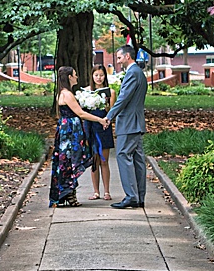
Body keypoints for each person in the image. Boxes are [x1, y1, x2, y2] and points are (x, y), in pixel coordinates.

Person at [49, 66, 105, 208]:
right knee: (71, 160)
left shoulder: (63, 93)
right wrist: (99, 119)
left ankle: (68, 192)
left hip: (67, 130)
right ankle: (69, 192)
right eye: (75, 74)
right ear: (69, 77)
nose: (77, 77)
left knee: (68, 161)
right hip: (70, 132)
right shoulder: (67, 94)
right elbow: (80, 113)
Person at [102, 45, 147, 209]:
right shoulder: (139, 73)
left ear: (127, 56)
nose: (118, 61)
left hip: (129, 123)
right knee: (137, 159)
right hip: (136, 123)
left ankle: (131, 196)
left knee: (123, 156)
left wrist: (109, 116)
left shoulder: (132, 73)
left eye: (120, 58)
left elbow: (123, 98)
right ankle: (139, 197)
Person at [83, 64, 114, 200]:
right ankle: (96, 191)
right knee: (94, 160)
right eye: (96, 75)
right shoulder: (86, 92)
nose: (99, 78)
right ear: (92, 76)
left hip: (103, 128)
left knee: (104, 160)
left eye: (101, 75)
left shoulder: (110, 92)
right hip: (90, 127)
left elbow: (112, 111)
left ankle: (107, 191)